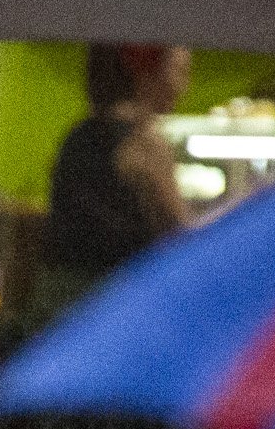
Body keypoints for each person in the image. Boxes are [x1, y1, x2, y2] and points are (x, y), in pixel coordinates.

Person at [42, 43, 190, 296]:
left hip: (68, 310)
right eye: (178, 70)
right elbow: (181, 236)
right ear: (144, 72)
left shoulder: (79, 136)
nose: (183, 85)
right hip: (116, 302)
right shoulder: (144, 145)